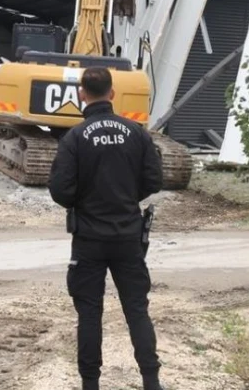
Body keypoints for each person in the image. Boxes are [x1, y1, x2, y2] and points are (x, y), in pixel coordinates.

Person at [48, 66, 165, 390]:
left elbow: (60, 190)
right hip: (128, 235)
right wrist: (127, 197)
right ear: (112, 94)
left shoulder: (74, 138)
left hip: (88, 238)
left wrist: (86, 201)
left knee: (89, 313)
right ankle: (152, 381)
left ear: (82, 94)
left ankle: (90, 384)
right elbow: (154, 180)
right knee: (137, 309)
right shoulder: (137, 132)